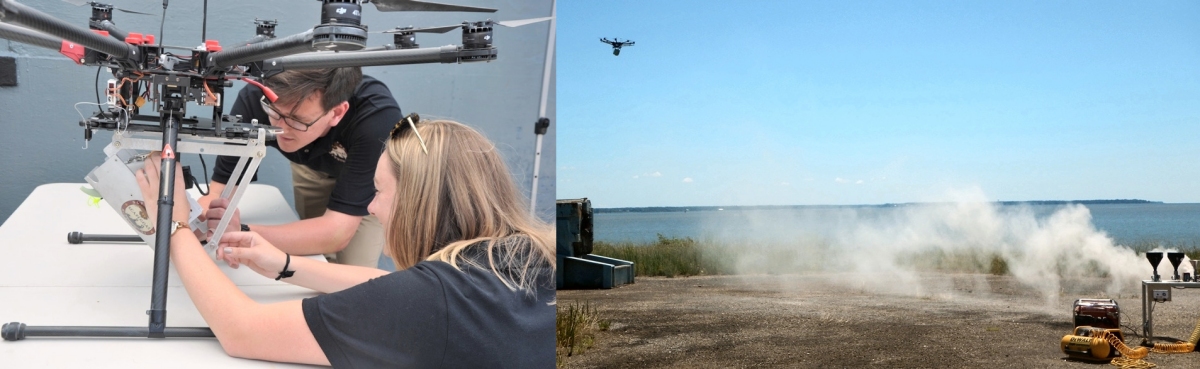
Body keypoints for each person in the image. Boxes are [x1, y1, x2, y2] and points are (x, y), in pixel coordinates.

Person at [135, 118, 556, 367]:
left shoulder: (430, 302)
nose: (371, 207)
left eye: (379, 191)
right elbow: (384, 285)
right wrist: (284, 264)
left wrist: (174, 227)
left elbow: (242, 331)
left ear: (417, 203)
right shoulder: (527, 256)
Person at [200, 67, 401, 268]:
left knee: (354, 271)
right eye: (275, 112)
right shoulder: (259, 97)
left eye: (298, 121)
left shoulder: (376, 122)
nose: (281, 128)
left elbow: (336, 234)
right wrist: (188, 222)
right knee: (316, 257)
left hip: (370, 180)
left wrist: (240, 233)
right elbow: (219, 192)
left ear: (337, 113)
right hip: (313, 168)